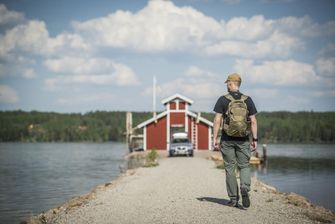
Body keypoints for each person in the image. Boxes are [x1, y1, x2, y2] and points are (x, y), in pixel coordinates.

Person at [213, 73, 258, 208]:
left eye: (228, 83)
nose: (227, 85)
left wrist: (215, 138)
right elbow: (254, 121)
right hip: (243, 139)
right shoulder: (247, 100)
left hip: (227, 139)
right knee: (244, 166)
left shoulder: (223, 100)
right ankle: (245, 187)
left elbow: (217, 120)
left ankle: (233, 199)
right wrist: (255, 139)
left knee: (230, 168)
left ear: (231, 83)